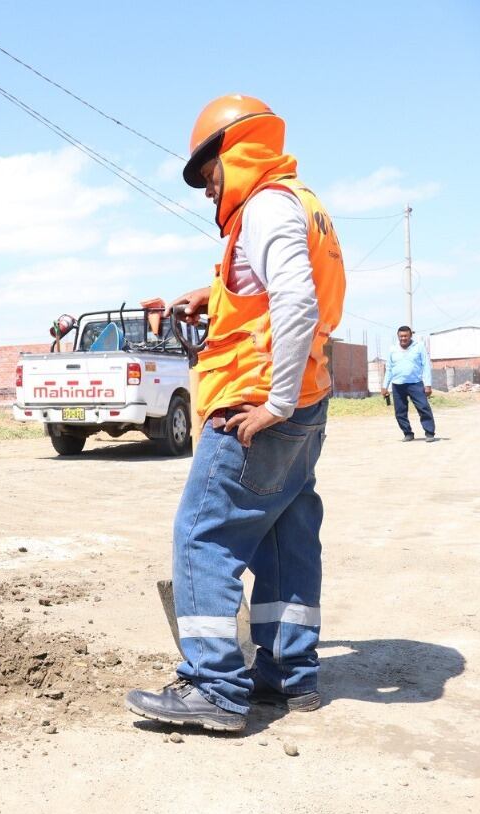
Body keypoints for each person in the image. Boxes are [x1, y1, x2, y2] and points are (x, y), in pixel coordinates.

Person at [125, 95, 346, 731]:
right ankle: (288, 675)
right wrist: (213, 294)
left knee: (203, 536)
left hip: (258, 406)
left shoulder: (266, 208)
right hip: (304, 402)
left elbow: (296, 303)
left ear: (232, 150)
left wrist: (273, 402)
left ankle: (214, 688)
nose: (204, 190)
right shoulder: (302, 203)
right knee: (284, 539)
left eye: (206, 174)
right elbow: (269, 291)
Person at [383, 325, 437, 442]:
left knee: (423, 408)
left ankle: (429, 433)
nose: (403, 338)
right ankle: (407, 433)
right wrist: (384, 386)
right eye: (401, 336)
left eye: (405, 336)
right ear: (398, 336)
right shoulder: (393, 349)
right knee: (400, 412)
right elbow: (389, 368)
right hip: (397, 385)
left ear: (410, 335)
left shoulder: (419, 347)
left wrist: (428, 384)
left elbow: (426, 365)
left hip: (415, 384)